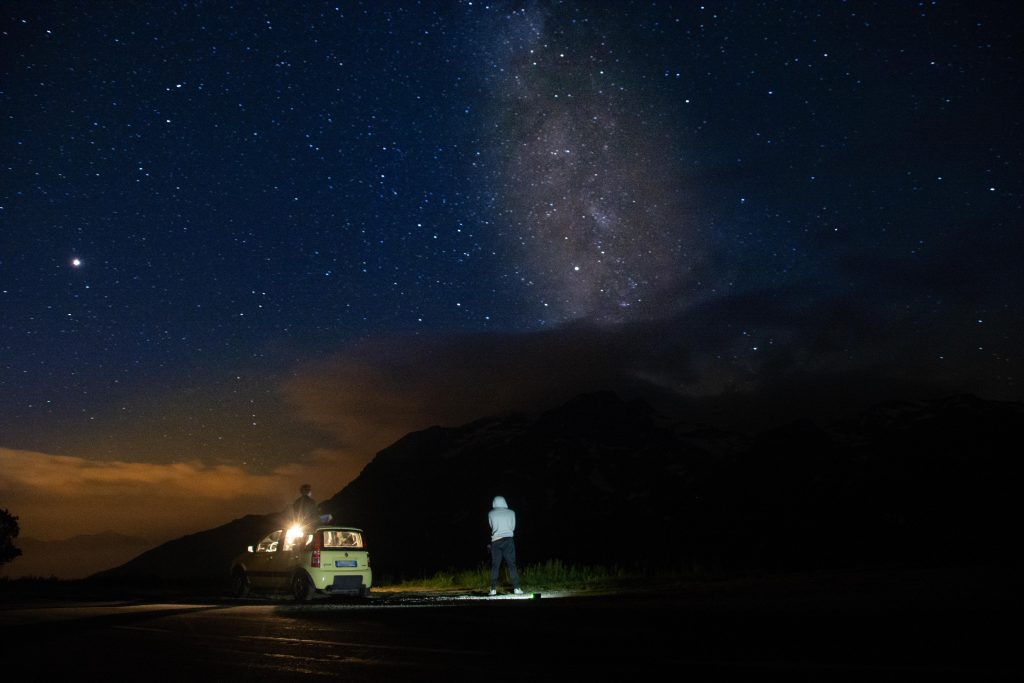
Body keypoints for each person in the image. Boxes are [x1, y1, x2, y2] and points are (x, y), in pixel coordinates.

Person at [488, 495, 523, 596]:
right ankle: (517, 588)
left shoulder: (491, 513)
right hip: (508, 540)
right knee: (512, 565)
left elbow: (491, 526)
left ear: (494, 502)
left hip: (496, 541)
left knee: (495, 566)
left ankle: (493, 589)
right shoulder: (512, 512)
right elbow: (513, 527)